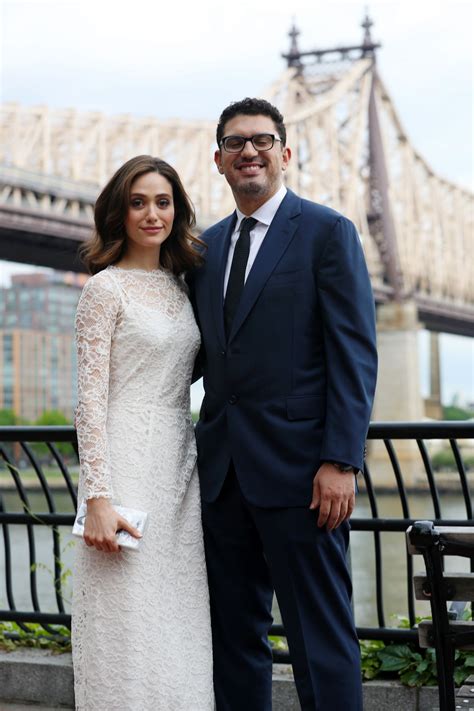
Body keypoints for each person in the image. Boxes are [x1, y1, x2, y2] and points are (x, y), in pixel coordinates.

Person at [188, 98, 378, 711]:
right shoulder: (204, 249)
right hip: (222, 479)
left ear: (285, 153)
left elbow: (354, 354)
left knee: (320, 641)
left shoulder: (327, 232)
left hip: (305, 478)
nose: (250, 151)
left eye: (263, 140)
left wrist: (341, 461)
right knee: (234, 642)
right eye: (236, 143)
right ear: (218, 160)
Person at [72, 155, 214, 710]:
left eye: (163, 201)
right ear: (120, 213)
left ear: (176, 212)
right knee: (126, 626)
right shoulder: (104, 290)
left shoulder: (180, 288)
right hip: (124, 469)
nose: (152, 213)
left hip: (179, 470)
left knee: (177, 624)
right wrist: (98, 499)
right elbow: (89, 403)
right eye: (138, 202)